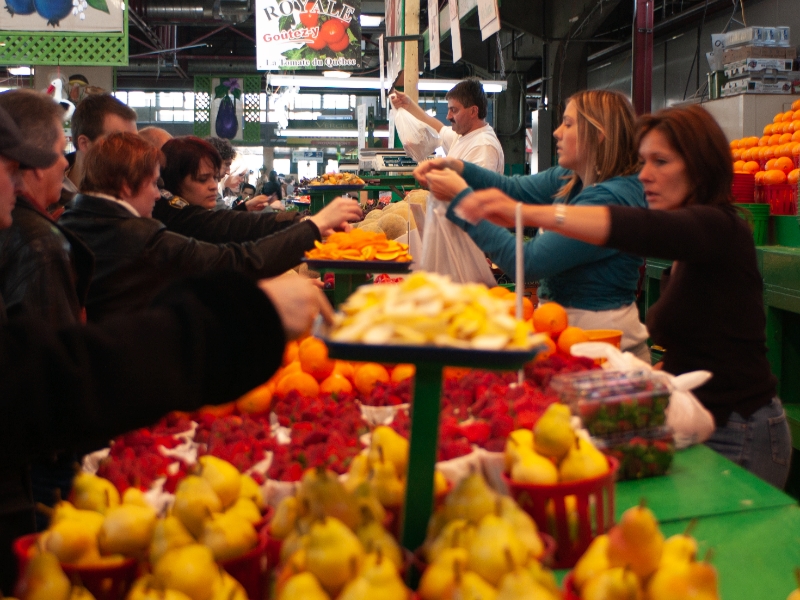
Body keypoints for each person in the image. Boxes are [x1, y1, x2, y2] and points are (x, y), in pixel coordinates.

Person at [0, 104, 333, 592]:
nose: (23, 181)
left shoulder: (69, 221)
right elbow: (50, 374)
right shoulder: (52, 240)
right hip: (47, 469)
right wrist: (242, 320)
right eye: (12, 169)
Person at [455, 104, 791, 488]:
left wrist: (529, 214)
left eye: (660, 162)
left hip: (741, 429)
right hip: (696, 422)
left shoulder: (720, 228)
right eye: (643, 161)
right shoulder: (692, 248)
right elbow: (704, 350)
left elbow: (636, 227)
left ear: (699, 167)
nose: (645, 175)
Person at [414, 89, 650, 361]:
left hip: (607, 349)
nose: (557, 132)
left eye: (569, 124)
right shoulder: (572, 178)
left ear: (598, 134)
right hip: (564, 336)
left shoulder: (611, 199)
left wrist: (461, 201)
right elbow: (512, 188)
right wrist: (458, 167)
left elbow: (527, 263)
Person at [60, 132, 362, 322]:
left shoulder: (72, 220)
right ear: (126, 186)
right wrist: (312, 226)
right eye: (153, 184)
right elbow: (232, 259)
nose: (157, 194)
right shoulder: (137, 236)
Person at [0, 89, 93, 326]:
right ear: (35, 162)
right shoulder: (40, 243)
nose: (64, 161)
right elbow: (52, 356)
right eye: (60, 151)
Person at [156, 136, 357, 244]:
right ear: (172, 180)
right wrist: (308, 224)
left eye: (215, 177)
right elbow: (230, 234)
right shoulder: (173, 217)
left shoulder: (180, 213)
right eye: (203, 179)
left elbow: (225, 224)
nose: (213, 185)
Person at [391, 77, 504, 172]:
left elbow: (475, 195)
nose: (448, 116)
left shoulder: (483, 146)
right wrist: (409, 105)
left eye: (454, 110)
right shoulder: (462, 136)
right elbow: (438, 128)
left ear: (473, 111)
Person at [66, 93, 138, 189]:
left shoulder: (136, 194)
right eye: (119, 143)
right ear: (84, 144)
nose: (133, 153)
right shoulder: (44, 191)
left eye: (135, 143)